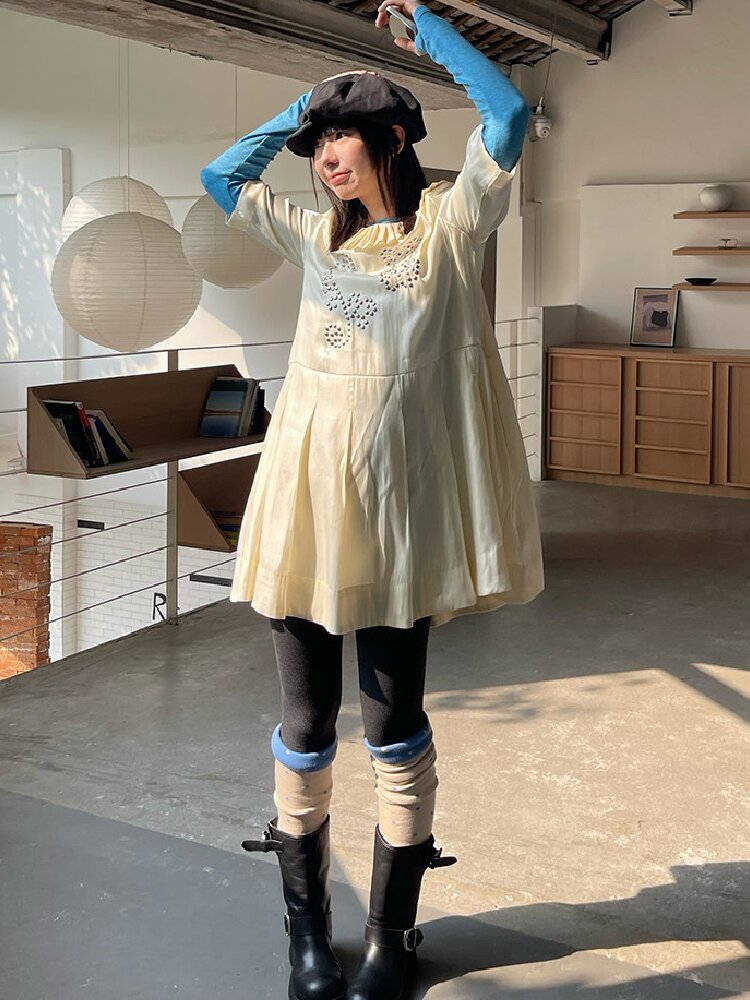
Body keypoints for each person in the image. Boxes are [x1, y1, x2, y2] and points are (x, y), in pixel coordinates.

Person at [200, 2, 544, 998]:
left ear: (392, 136)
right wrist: (300, 107)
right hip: (308, 512)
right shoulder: (316, 239)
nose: (321, 159)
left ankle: (393, 935)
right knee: (307, 725)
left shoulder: (449, 226)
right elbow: (221, 179)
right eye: (315, 147)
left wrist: (430, 32)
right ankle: (307, 934)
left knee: (394, 726)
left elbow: (509, 114)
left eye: (338, 138)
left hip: (400, 522)